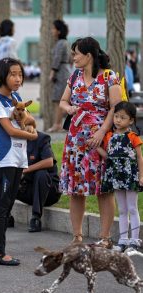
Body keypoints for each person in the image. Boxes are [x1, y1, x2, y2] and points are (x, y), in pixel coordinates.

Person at [59, 36, 122, 247]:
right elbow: (63, 101)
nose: (73, 57)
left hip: (99, 141)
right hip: (76, 140)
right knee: (76, 189)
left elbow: (116, 107)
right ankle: (77, 236)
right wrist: (68, 109)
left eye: (76, 53)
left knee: (103, 189)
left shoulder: (109, 77)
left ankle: (105, 237)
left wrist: (102, 132)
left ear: (88, 55)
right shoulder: (74, 75)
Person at [0, 58, 38, 266]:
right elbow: (10, 130)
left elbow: (31, 120)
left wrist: (28, 124)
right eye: (13, 74)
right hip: (5, 158)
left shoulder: (16, 97)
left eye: (20, 75)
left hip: (19, 157)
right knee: (2, 204)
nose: (18, 79)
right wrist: (33, 136)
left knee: (8, 204)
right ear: (2, 76)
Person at [0, 131, 61, 232]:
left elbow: (49, 161)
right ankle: (3, 217)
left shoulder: (41, 138)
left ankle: (36, 218)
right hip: (26, 187)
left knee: (41, 174)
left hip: (47, 191)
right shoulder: (12, 139)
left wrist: (24, 170)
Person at [97, 101, 143, 253]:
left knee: (132, 208)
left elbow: (139, 158)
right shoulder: (109, 136)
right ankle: (123, 240)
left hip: (130, 176)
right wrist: (96, 146)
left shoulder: (133, 137)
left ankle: (134, 241)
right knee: (122, 209)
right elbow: (108, 156)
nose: (117, 120)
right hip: (116, 176)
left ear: (131, 120)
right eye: (116, 116)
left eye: (122, 117)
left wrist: (141, 176)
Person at [48, 19, 72, 133]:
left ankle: (57, 124)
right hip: (65, 70)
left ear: (58, 31)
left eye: (53, 28)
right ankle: (59, 124)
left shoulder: (60, 43)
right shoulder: (66, 43)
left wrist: (52, 71)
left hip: (61, 73)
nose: (51, 31)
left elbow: (57, 58)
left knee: (59, 100)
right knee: (62, 100)